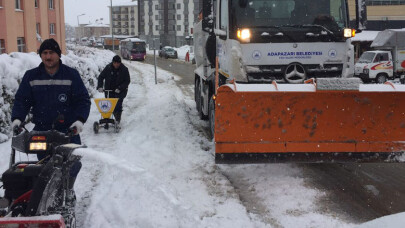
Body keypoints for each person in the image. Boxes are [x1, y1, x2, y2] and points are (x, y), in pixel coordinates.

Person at [11, 38, 91, 203]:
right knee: (44, 166)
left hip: (68, 133)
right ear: (41, 55)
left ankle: (67, 190)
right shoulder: (31, 76)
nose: (48, 57)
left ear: (58, 54)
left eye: (51, 53)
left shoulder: (71, 75)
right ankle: (45, 198)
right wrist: (17, 119)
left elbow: (82, 100)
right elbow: (22, 100)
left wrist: (79, 121)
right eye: (44, 53)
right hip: (42, 132)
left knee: (72, 165)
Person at [97, 55, 130, 124]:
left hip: (120, 91)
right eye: (115, 63)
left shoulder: (124, 69)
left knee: (117, 105)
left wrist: (120, 88)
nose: (116, 64)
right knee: (109, 105)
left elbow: (127, 81)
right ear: (113, 62)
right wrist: (100, 86)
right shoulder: (108, 68)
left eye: (118, 63)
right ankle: (107, 118)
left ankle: (117, 119)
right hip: (109, 91)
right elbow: (101, 77)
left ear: (120, 63)